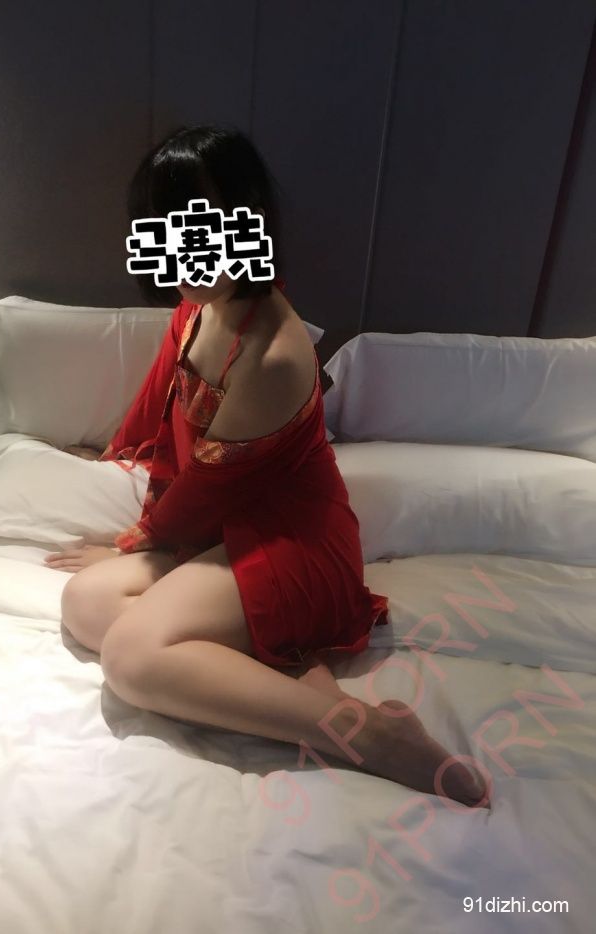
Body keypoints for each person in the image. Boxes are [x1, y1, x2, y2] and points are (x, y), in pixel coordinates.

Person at [45, 124, 488, 808]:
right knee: (87, 602)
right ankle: (288, 673)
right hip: (223, 532)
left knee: (130, 657)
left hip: (293, 543)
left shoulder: (274, 352)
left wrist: (132, 541)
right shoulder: (199, 306)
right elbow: (162, 400)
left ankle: (368, 734)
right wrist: (112, 453)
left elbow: (207, 485)